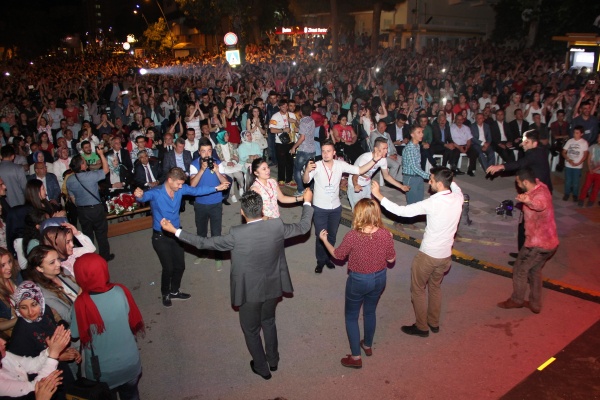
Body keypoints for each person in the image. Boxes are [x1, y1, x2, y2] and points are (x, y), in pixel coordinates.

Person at [159, 189, 314, 380]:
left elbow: (203, 243)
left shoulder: (236, 234)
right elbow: (304, 227)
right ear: (262, 209)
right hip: (274, 286)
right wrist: (307, 201)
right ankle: (273, 361)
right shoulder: (276, 225)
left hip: (249, 292)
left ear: (242, 212)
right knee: (268, 321)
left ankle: (262, 368)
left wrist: (175, 231)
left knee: (251, 330)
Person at [371, 167, 463, 336]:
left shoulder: (433, 203)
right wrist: (448, 176)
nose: (430, 182)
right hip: (445, 256)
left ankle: (421, 327)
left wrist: (378, 195)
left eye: (432, 180)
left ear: (440, 184)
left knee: (418, 290)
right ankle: (433, 322)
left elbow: (401, 211)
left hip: (428, 256)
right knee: (435, 287)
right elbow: (455, 186)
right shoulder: (458, 197)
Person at [133, 167, 229, 307]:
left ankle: (174, 291)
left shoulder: (180, 189)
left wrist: (217, 188)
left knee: (180, 266)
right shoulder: (157, 192)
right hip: (160, 236)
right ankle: (165, 293)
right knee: (168, 267)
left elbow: (197, 191)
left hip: (176, 234)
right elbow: (143, 197)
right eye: (178, 184)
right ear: (169, 180)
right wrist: (139, 195)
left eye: (181, 184)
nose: (180, 187)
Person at [318, 199, 395, 368]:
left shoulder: (353, 236)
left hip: (359, 280)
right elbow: (391, 259)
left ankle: (355, 357)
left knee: (351, 316)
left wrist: (324, 240)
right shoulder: (385, 234)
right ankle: (367, 345)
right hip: (380, 278)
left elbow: (338, 255)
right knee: (370, 312)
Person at [70, 253, 145, 400]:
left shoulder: (81, 304)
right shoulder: (120, 291)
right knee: (132, 395)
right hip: (130, 363)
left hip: (102, 372)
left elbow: (75, 333)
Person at [304, 140, 383, 273]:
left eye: (328, 151)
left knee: (332, 235)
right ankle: (320, 261)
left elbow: (359, 170)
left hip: (335, 208)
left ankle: (328, 257)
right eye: (323, 151)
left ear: (334, 153)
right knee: (320, 236)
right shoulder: (316, 166)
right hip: (320, 208)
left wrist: (374, 160)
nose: (325, 154)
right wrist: (307, 171)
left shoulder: (340, 165)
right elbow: (306, 180)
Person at [497, 168, 558, 314]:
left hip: (537, 245)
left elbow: (540, 205)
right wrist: (528, 197)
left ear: (525, 182)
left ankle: (517, 300)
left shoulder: (539, 196)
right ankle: (535, 304)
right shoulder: (541, 186)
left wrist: (528, 201)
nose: (517, 185)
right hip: (550, 242)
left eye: (518, 182)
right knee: (534, 271)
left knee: (519, 270)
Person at [8, 281, 80, 394]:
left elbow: (54, 336)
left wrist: (67, 350)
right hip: (43, 382)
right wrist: (57, 356)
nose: (30, 312)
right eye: (23, 307)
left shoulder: (45, 311)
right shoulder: (21, 333)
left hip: (61, 372)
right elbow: (24, 367)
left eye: (34, 304)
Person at [66, 143, 114, 262]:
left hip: (82, 210)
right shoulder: (91, 175)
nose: (86, 162)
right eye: (84, 161)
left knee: (87, 235)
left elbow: (72, 197)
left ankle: (90, 258)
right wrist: (101, 154)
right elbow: (106, 170)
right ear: (82, 165)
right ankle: (104, 256)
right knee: (101, 233)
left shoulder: (69, 180)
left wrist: (81, 206)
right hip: (95, 209)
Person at [189, 138, 231, 269]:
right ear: (199, 152)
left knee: (216, 232)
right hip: (200, 203)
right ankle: (202, 254)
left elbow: (225, 183)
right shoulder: (194, 165)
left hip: (216, 202)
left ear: (212, 151)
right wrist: (202, 170)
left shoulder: (218, 163)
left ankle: (218, 256)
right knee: (201, 231)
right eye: (203, 151)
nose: (207, 154)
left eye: (209, 151)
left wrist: (217, 171)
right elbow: (192, 185)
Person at [0, 325, 69, 398]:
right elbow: (36, 389)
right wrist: (54, 354)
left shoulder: (5, 356)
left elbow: (32, 364)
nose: (4, 342)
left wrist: (50, 349)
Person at [348, 137, 409, 210]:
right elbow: (355, 175)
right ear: (376, 149)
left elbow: (386, 176)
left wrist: (401, 186)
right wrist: (355, 185)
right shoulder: (365, 158)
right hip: (355, 184)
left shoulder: (383, 160)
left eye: (387, 148)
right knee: (357, 210)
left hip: (366, 184)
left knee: (369, 209)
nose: (386, 151)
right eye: (384, 149)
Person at [26, 245, 80, 323]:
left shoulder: (63, 272)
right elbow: (68, 318)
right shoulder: (44, 294)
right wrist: (81, 293)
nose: (58, 264)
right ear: (39, 268)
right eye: (52, 262)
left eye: (58, 259)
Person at [289, 103, 316, 196]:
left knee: (297, 169)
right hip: (312, 150)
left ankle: (300, 190)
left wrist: (294, 147)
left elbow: (302, 138)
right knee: (310, 170)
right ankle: (311, 188)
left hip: (304, 150)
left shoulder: (303, 122)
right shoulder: (311, 120)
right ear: (311, 112)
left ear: (300, 112)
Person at [402, 125, 432, 204]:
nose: (422, 134)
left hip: (418, 176)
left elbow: (417, 165)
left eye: (422, 132)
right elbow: (414, 167)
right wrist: (428, 176)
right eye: (419, 132)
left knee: (419, 203)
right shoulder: (409, 149)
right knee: (412, 204)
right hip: (410, 178)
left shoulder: (417, 145)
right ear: (412, 134)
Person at [561, 125, 588, 202]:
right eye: (574, 132)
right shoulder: (570, 141)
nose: (575, 134)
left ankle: (575, 195)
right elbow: (563, 152)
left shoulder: (584, 143)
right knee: (568, 180)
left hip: (577, 166)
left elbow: (585, 155)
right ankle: (567, 193)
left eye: (577, 133)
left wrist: (578, 163)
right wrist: (568, 159)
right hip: (568, 164)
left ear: (581, 134)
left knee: (576, 181)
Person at [0, 248, 20, 338]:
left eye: (9, 262)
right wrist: (20, 318)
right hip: (15, 334)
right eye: (2, 265)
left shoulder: (16, 277)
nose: (9, 267)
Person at [578, 133, 600, 207]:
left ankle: (591, 200)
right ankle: (581, 199)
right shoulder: (593, 147)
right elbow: (589, 158)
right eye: (598, 137)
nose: (599, 139)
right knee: (586, 186)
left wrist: (595, 169)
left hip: (598, 173)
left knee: (596, 188)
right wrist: (590, 168)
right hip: (591, 170)